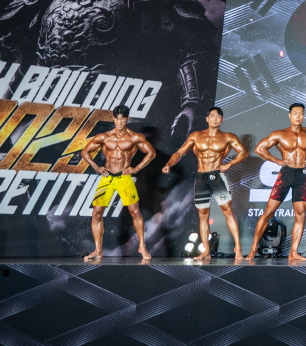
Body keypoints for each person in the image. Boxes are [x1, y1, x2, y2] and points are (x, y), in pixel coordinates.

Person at [246, 103, 306, 263]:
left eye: (301, 113)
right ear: (290, 115)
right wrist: (277, 160)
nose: (298, 116)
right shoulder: (280, 134)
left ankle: (294, 252)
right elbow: (259, 149)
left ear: (304, 115)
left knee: (301, 215)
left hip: (301, 175)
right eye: (295, 113)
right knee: (268, 213)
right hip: (285, 174)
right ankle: (253, 249)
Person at [161, 105, 248, 260]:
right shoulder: (196, 136)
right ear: (207, 119)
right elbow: (180, 152)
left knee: (227, 211)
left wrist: (229, 164)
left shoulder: (228, 137)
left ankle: (238, 249)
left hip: (217, 176)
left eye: (218, 116)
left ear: (222, 119)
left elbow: (243, 152)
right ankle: (206, 251)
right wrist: (169, 164)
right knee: (202, 214)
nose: (215, 119)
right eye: (212, 116)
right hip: (201, 177)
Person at [82, 106, 157, 262]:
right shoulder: (104, 137)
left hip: (124, 178)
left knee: (135, 212)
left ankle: (142, 246)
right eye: (117, 119)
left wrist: (136, 168)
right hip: (107, 178)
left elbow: (151, 153)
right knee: (96, 213)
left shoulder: (135, 137)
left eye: (123, 119)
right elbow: (85, 152)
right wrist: (97, 167)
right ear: (113, 119)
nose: (120, 122)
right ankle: (98, 250)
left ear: (127, 119)